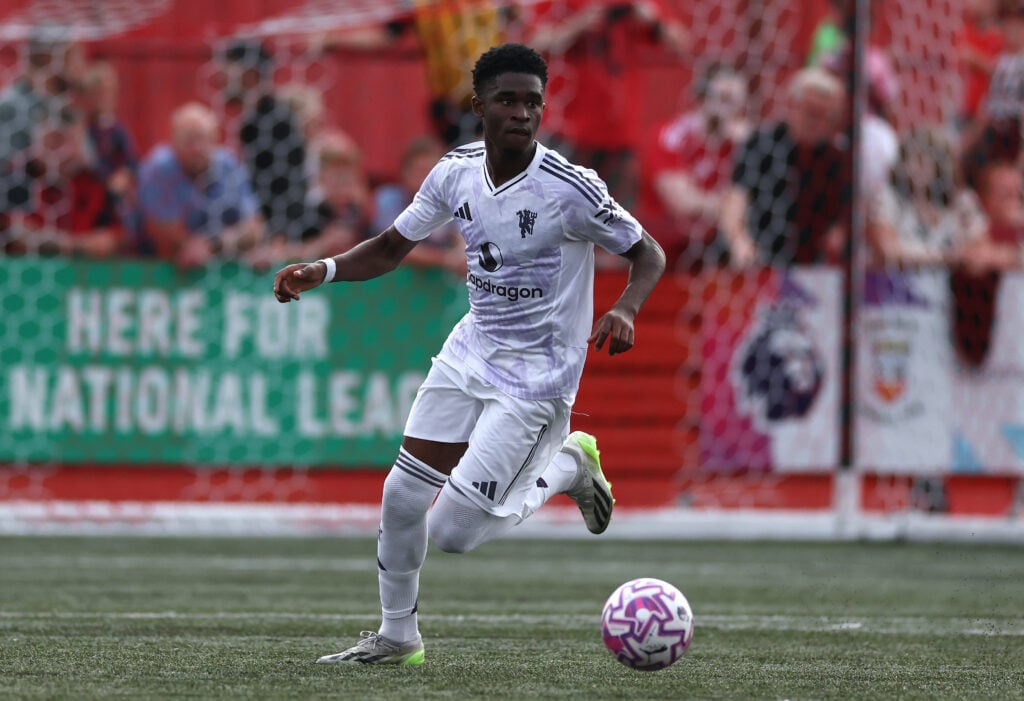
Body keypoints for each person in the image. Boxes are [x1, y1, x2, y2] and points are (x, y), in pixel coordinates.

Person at [273, 43, 666, 666]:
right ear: (478, 105)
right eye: (507, 100)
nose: (521, 113)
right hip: (472, 349)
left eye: (532, 103)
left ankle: (569, 467)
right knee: (402, 496)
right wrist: (321, 270)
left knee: (453, 533)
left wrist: (626, 308)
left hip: (537, 377)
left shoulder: (571, 187)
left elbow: (650, 252)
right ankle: (397, 636)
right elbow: (389, 248)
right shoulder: (454, 171)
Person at [721, 67, 851, 268]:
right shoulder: (761, 144)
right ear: (792, 105)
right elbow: (736, 200)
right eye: (811, 112)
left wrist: (839, 235)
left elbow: (845, 216)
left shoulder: (837, 158)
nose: (817, 123)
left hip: (814, 266)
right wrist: (740, 241)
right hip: (762, 260)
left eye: (827, 116)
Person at [638, 62, 750, 273]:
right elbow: (682, 201)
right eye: (724, 99)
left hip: (718, 248)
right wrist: (729, 207)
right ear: (700, 98)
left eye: (737, 103)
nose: (731, 110)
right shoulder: (670, 136)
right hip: (665, 250)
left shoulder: (743, 144)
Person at [136, 102, 264, 267]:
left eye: (202, 138)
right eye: (189, 140)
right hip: (167, 268)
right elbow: (161, 231)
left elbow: (254, 227)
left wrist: (213, 244)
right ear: (173, 142)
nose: (197, 148)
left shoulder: (228, 166)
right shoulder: (158, 169)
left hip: (225, 264)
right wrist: (191, 245)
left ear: (215, 139)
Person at [218, 39, 313, 244]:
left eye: (227, 71)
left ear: (250, 74)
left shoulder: (276, 121)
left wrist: (279, 235)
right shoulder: (251, 120)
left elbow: (288, 183)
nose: (221, 78)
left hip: (275, 238)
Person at [867, 126, 987, 268]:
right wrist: (945, 257)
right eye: (911, 159)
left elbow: (980, 256)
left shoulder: (962, 201)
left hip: (947, 286)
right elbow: (887, 251)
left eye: (926, 160)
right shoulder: (888, 198)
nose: (917, 167)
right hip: (896, 286)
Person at [372, 134, 465, 275]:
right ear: (404, 174)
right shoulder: (387, 199)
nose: (426, 181)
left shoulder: (454, 202)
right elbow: (396, 247)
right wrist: (446, 259)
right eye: (420, 172)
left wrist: (461, 255)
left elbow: (465, 240)